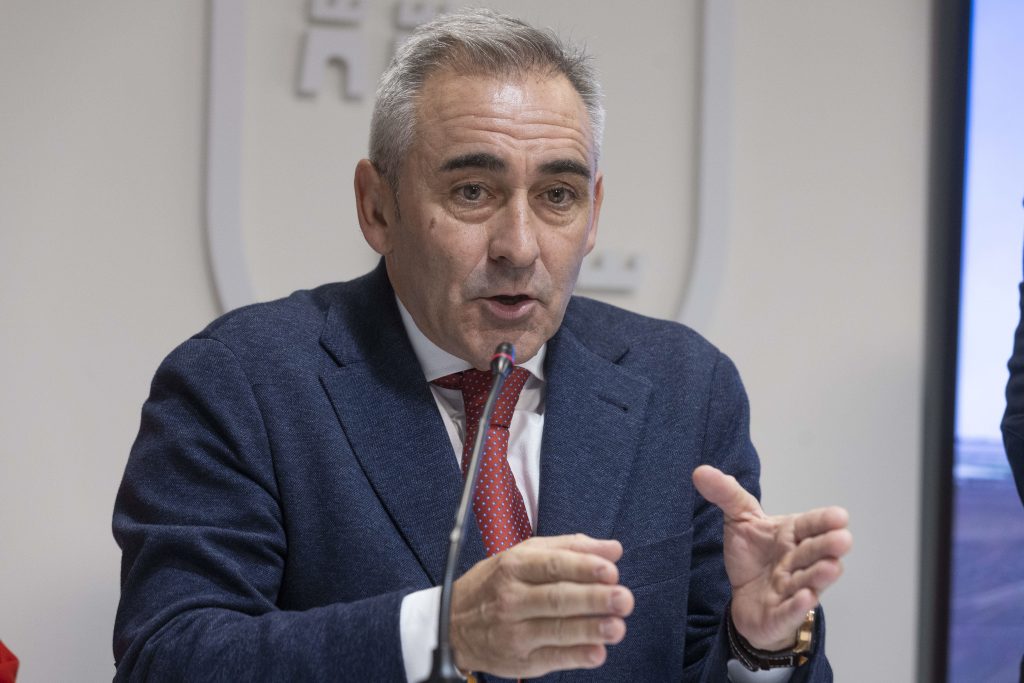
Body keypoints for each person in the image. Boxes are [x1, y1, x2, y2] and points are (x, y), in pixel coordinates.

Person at [112, 9, 852, 681]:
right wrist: (443, 631)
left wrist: (756, 646)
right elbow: (168, 657)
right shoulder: (241, 382)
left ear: (593, 213)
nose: (519, 246)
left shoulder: (686, 387)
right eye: (473, 191)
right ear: (377, 206)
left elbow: (700, 658)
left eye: (557, 196)